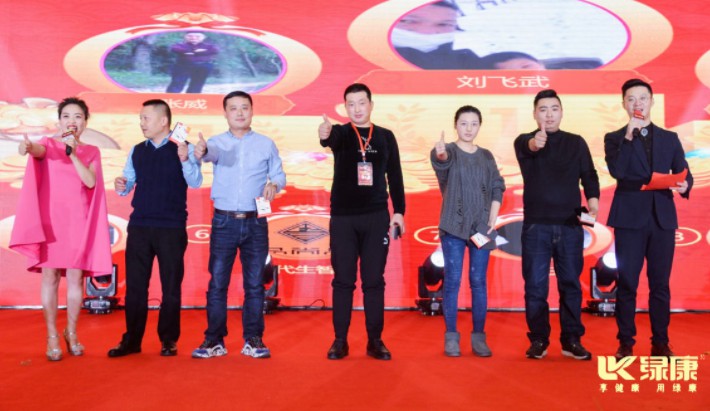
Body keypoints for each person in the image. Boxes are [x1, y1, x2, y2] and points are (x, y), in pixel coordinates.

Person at [10, 97, 112, 361]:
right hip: (51, 221)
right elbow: (37, 151)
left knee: (76, 278)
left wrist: (73, 153)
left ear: (85, 121)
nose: (71, 121)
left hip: (78, 221)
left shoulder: (92, 151)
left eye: (78, 116)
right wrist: (27, 147)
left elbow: (90, 182)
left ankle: (72, 332)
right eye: (66, 116)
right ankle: (52, 335)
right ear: (59, 121)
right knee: (50, 277)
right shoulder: (47, 144)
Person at [191, 91, 286, 359]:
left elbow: (279, 174)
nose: (240, 113)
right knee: (218, 284)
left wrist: (274, 184)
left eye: (244, 107)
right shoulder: (216, 143)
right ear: (225, 113)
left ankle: (253, 339)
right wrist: (202, 150)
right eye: (233, 108)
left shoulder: (266, 144)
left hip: (256, 221)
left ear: (252, 111)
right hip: (224, 221)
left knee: (255, 285)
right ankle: (214, 340)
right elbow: (209, 154)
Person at [604, 79, 693, 359]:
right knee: (628, 282)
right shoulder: (615, 138)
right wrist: (629, 138)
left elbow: (684, 172)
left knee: (660, 284)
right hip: (629, 219)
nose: (637, 103)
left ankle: (661, 343)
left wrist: (685, 185)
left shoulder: (669, 138)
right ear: (624, 104)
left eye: (642, 98)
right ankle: (626, 342)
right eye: (631, 99)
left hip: (662, 219)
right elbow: (618, 171)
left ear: (652, 101)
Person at [107, 99, 203, 358]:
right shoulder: (137, 150)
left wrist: (185, 159)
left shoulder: (183, 147)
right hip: (140, 225)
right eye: (140, 118)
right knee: (136, 287)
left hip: (171, 227)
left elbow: (195, 182)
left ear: (163, 121)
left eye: (146, 118)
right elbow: (127, 183)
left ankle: (168, 340)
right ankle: (132, 340)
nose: (142, 123)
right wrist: (121, 184)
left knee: (171, 286)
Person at [318, 83, 406, 360]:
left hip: (376, 217)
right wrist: (325, 134)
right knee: (343, 281)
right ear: (345, 107)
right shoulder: (342, 133)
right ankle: (340, 341)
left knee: (374, 281)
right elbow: (329, 139)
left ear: (371, 104)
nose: (356, 109)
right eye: (351, 104)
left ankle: (375, 340)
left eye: (361, 102)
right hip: (343, 218)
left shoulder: (385, 136)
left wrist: (399, 211)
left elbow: (396, 176)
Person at [513, 89, 599, 360]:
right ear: (534, 114)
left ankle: (571, 340)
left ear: (561, 112)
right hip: (536, 227)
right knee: (535, 287)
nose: (549, 114)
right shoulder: (524, 141)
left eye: (554, 109)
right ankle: (539, 339)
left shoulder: (576, 142)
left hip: (570, 226)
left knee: (570, 285)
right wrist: (536, 142)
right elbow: (529, 146)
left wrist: (593, 202)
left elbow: (589, 174)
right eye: (543, 109)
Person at [430, 105, 505, 357]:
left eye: (474, 124)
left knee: (478, 282)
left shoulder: (486, 155)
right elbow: (441, 162)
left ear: (480, 126)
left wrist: (493, 215)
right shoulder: (449, 150)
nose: (469, 128)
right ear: (456, 125)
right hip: (453, 226)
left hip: (480, 228)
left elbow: (497, 185)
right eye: (463, 123)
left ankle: (479, 337)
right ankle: (451, 336)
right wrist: (440, 154)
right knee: (452, 281)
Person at [392, 1, 544, 70]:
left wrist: (519, 66)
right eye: (407, 21)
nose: (426, 31)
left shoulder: (464, 62)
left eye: (443, 24)